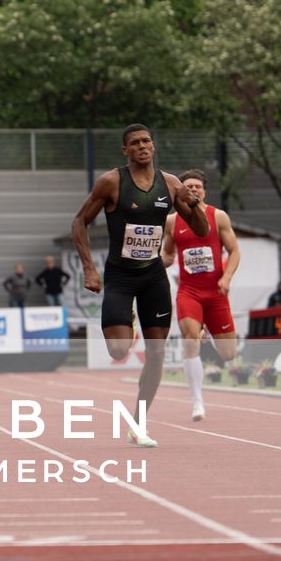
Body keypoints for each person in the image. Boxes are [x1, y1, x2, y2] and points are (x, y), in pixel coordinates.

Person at [70, 123, 208, 448]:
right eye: (135, 143)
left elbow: (201, 230)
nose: (143, 146)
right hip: (120, 276)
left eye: (147, 141)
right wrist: (89, 269)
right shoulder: (111, 182)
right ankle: (128, 322)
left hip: (153, 276)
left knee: (157, 354)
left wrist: (193, 203)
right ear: (125, 150)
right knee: (118, 351)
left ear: (154, 146)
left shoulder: (171, 183)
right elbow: (79, 221)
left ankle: (139, 423)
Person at [163, 168, 239, 422]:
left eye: (197, 186)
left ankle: (208, 329)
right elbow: (168, 254)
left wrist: (226, 278)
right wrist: (150, 261)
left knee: (229, 354)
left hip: (215, 292)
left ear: (204, 190)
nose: (193, 190)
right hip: (189, 292)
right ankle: (197, 402)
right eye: (188, 187)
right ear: (181, 191)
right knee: (190, 340)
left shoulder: (218, 217)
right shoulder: (172, 221)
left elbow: (235, 251)